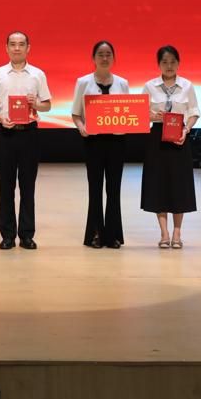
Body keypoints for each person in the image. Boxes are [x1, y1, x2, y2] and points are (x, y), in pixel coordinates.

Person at [0, 31, 52, 250]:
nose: (17, 48)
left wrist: (36, 104)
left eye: (21, 44)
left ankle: (26, 235)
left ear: (28, 48)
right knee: (6, 187)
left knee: (27, 186)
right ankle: (7, 235)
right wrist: (0, 118)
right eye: (13, 44)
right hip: (5, 134)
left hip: (29, 134)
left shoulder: (37, 74)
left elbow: (47, 105)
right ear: (6, 48)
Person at [71, 40, 130, 249]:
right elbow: (76, 114)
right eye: (100, 54)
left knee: (114, 189)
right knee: (95, 188)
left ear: (113, 58)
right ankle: (95, 233)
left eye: (108, 54)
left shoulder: (122, 83)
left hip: (117, 142)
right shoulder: (83, 82)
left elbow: (129, 112)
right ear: (93, 58)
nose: (104, 58)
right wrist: (81, 128)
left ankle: (113, 234)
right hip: (93, 142)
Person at [140, 45, 199, 249]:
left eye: (173, 61)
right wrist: (153, 116)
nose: (169, 66)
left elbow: (194, 112)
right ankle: (164, 233)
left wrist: (186, 130)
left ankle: (177, 232)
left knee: (179, 185)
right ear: (159, 64)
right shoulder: (150, 86)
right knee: (159, 184)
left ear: (178, 63)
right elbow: (140, 113)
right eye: (164, 62)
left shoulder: (187, 86)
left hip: (179, 137)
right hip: (157, 138)